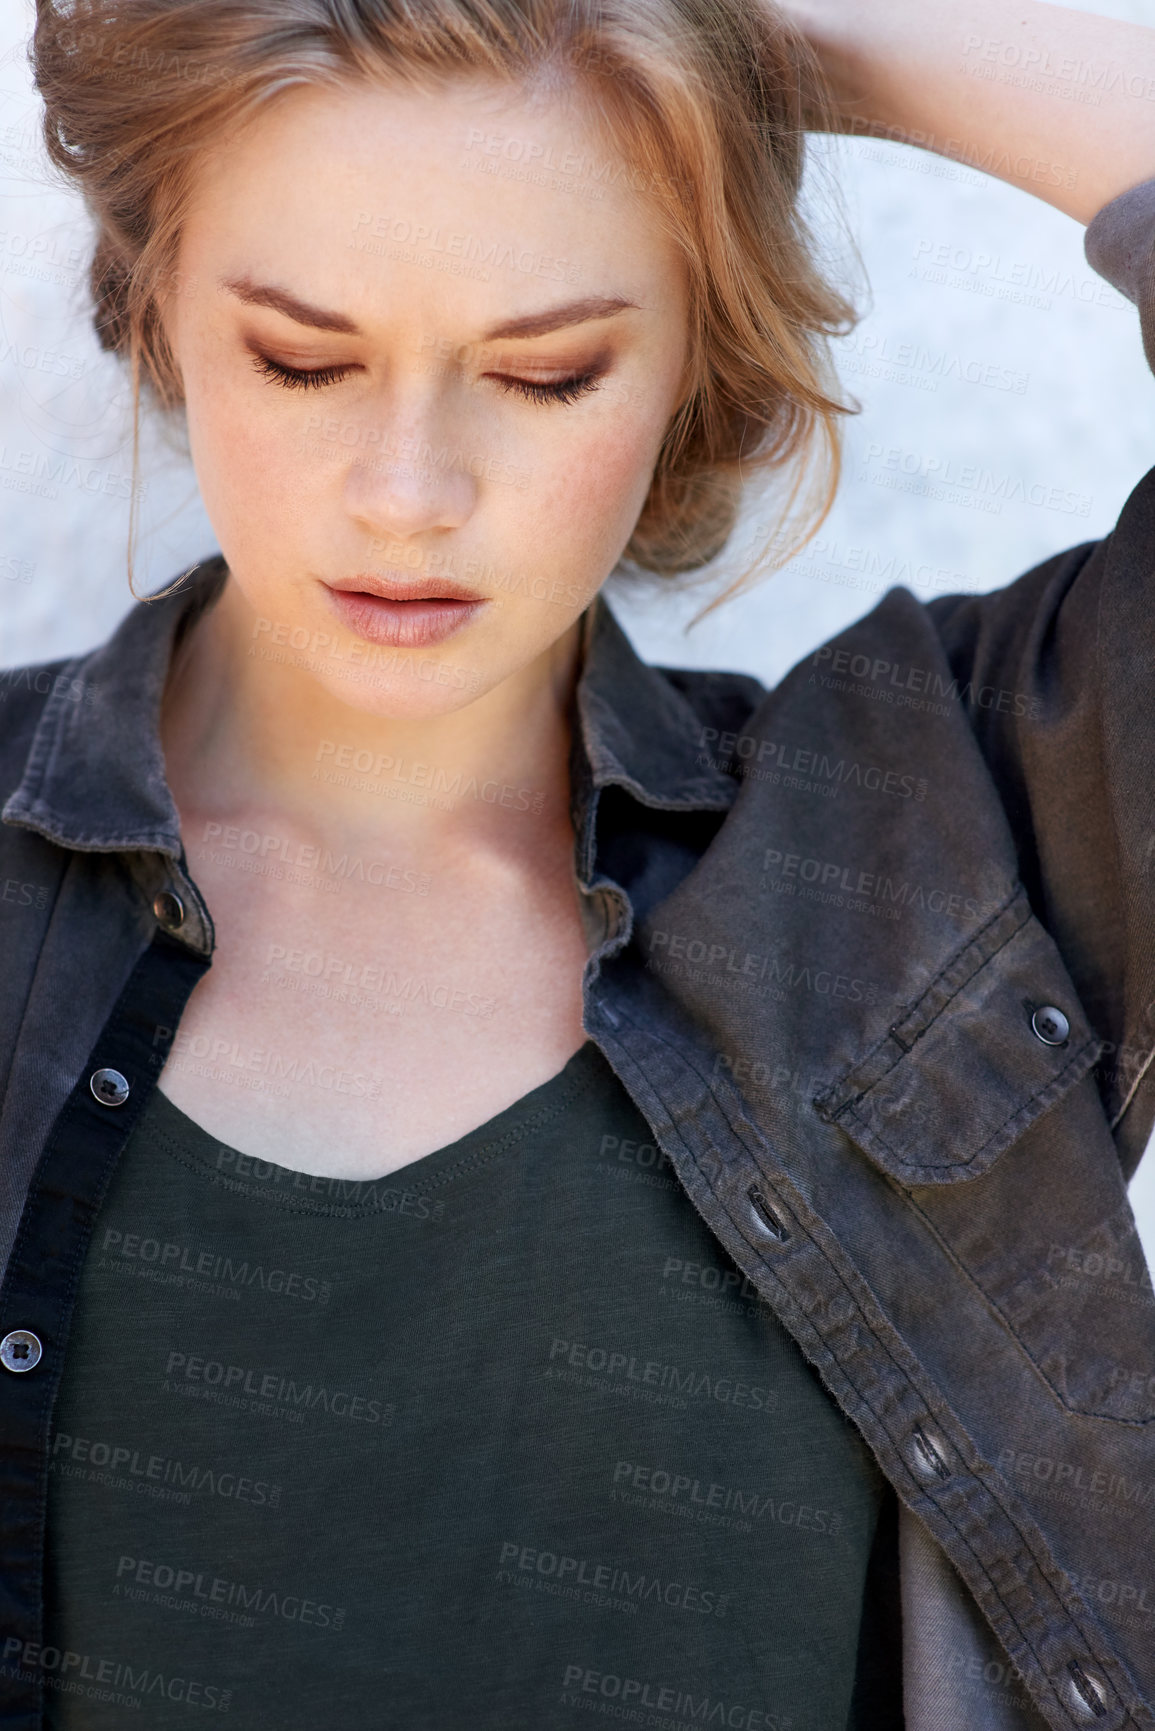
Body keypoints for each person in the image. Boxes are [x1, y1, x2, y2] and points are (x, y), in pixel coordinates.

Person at [0, 0, 1152, 1725]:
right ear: (154, 299)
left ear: (700, 351)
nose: (408, 491)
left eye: (547, 373)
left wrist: (750, 40)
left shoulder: (940, 846)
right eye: (302, 357)